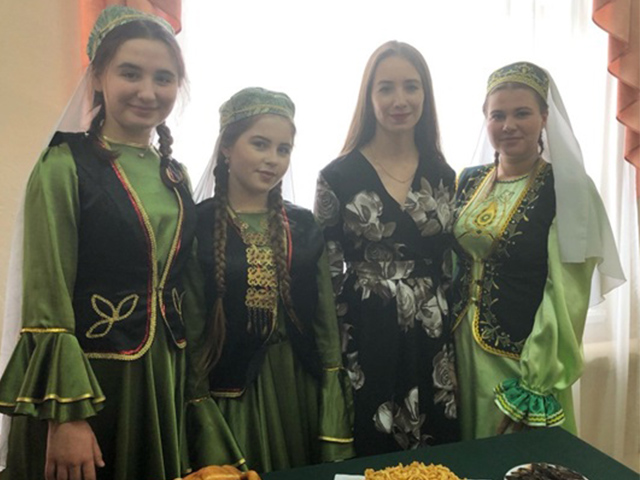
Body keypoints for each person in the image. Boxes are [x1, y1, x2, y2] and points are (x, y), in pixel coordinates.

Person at [0, 6, 243, 480]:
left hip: (163, 378)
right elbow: (47, 300)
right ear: (97, 77)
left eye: (163, 78)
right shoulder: (62, 166)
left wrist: (193, 396)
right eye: (130, 73)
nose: (148, 92)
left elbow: (186, 293)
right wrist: (67, 416)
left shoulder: (174, 175)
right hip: (91, 384)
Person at [451, 61, 625, 440]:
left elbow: (567, 292)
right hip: (459, 351)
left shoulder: (568, 189)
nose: (508, 125)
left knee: (513, 456)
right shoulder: (467, 181)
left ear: (545, 117)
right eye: (498, 115)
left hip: (522, 360)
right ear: (485, 118)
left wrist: (537, 378)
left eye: (522, 113)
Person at [190, 87, 355, 473]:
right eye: (260, 144)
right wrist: (195, 400)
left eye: (283, 149)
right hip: (232, 391)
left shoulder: (303, 225)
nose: (273, 159)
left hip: (297, 383)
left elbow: (324, 320)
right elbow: (193, 322)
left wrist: (331, 386)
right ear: (227, 147)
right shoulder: (198, 224)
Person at [313, 40, 460, 456]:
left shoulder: (443, 173)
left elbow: (450, 265)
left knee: (436, 455)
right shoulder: (337, 176)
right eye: (386, 88)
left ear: (425, 95)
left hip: (431, 336)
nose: (400, 100)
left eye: (411, 86)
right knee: (369, 448)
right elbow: (324, 274)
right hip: (365, 330)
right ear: (369, 96)